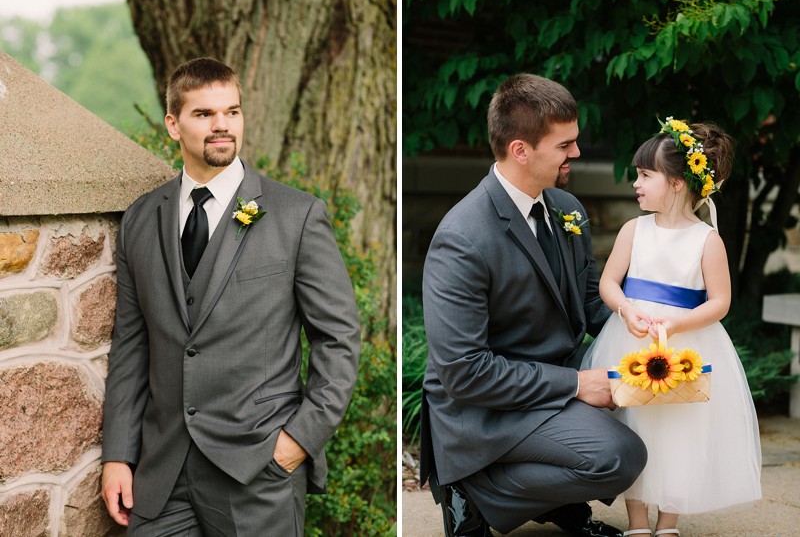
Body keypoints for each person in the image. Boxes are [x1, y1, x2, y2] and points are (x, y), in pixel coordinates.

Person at [100, 57, 361, 536]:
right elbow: (132, 347)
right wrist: (118, 454)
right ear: (173, 125)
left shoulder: (296, 216)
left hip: (258, 472)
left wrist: (296, 442)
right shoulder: (141, 219)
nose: (222, 126)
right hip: (161, 475)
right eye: (204, 114)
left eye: (232, 112)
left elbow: (339, 339)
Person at [421, 73, 647, 536]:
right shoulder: (461, 238)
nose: (577, 154)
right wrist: (576, 384)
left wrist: (640, 326)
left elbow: (589, 301)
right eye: (565, 145)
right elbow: (464, 371)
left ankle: (555, 501)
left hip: (546, 389)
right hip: (483, 409)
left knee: (654, 415)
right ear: (521, 150)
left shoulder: (566, 207)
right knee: (620, 455)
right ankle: (468, 488)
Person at [582, 118, 762, 536]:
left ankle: (669, 522)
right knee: (636, 424)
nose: (636, 184)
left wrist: (679, 322)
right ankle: (638, 522)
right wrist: (625, 309)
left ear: (678, 182)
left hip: (686, 342)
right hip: (633, 338)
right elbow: (609, 282)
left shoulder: (706, 240)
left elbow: (720, 301)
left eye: (645, 175)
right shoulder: (634, 230)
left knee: (679, 432)